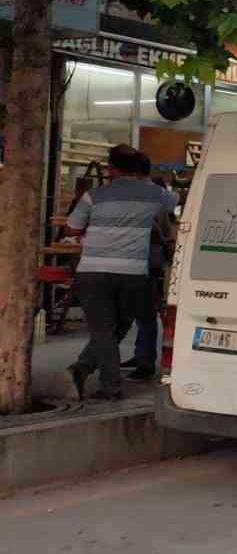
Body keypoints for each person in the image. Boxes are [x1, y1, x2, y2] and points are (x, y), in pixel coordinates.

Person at [63, 145, 178, 400]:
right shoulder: (154, 193)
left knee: (103, 330)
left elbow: (71, 230)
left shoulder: (94, 195)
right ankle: (83, 370)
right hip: (133, 273)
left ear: (111, 168)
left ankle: (106, 384)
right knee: (121, 326)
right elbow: (177, 203)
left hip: (93, 271)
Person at [124, 154, 175, 379]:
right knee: (141, 313)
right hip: (146, 260)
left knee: (143, 312)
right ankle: (141, 355)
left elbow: (159, 230)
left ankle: (145, 361)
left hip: (143, 260)